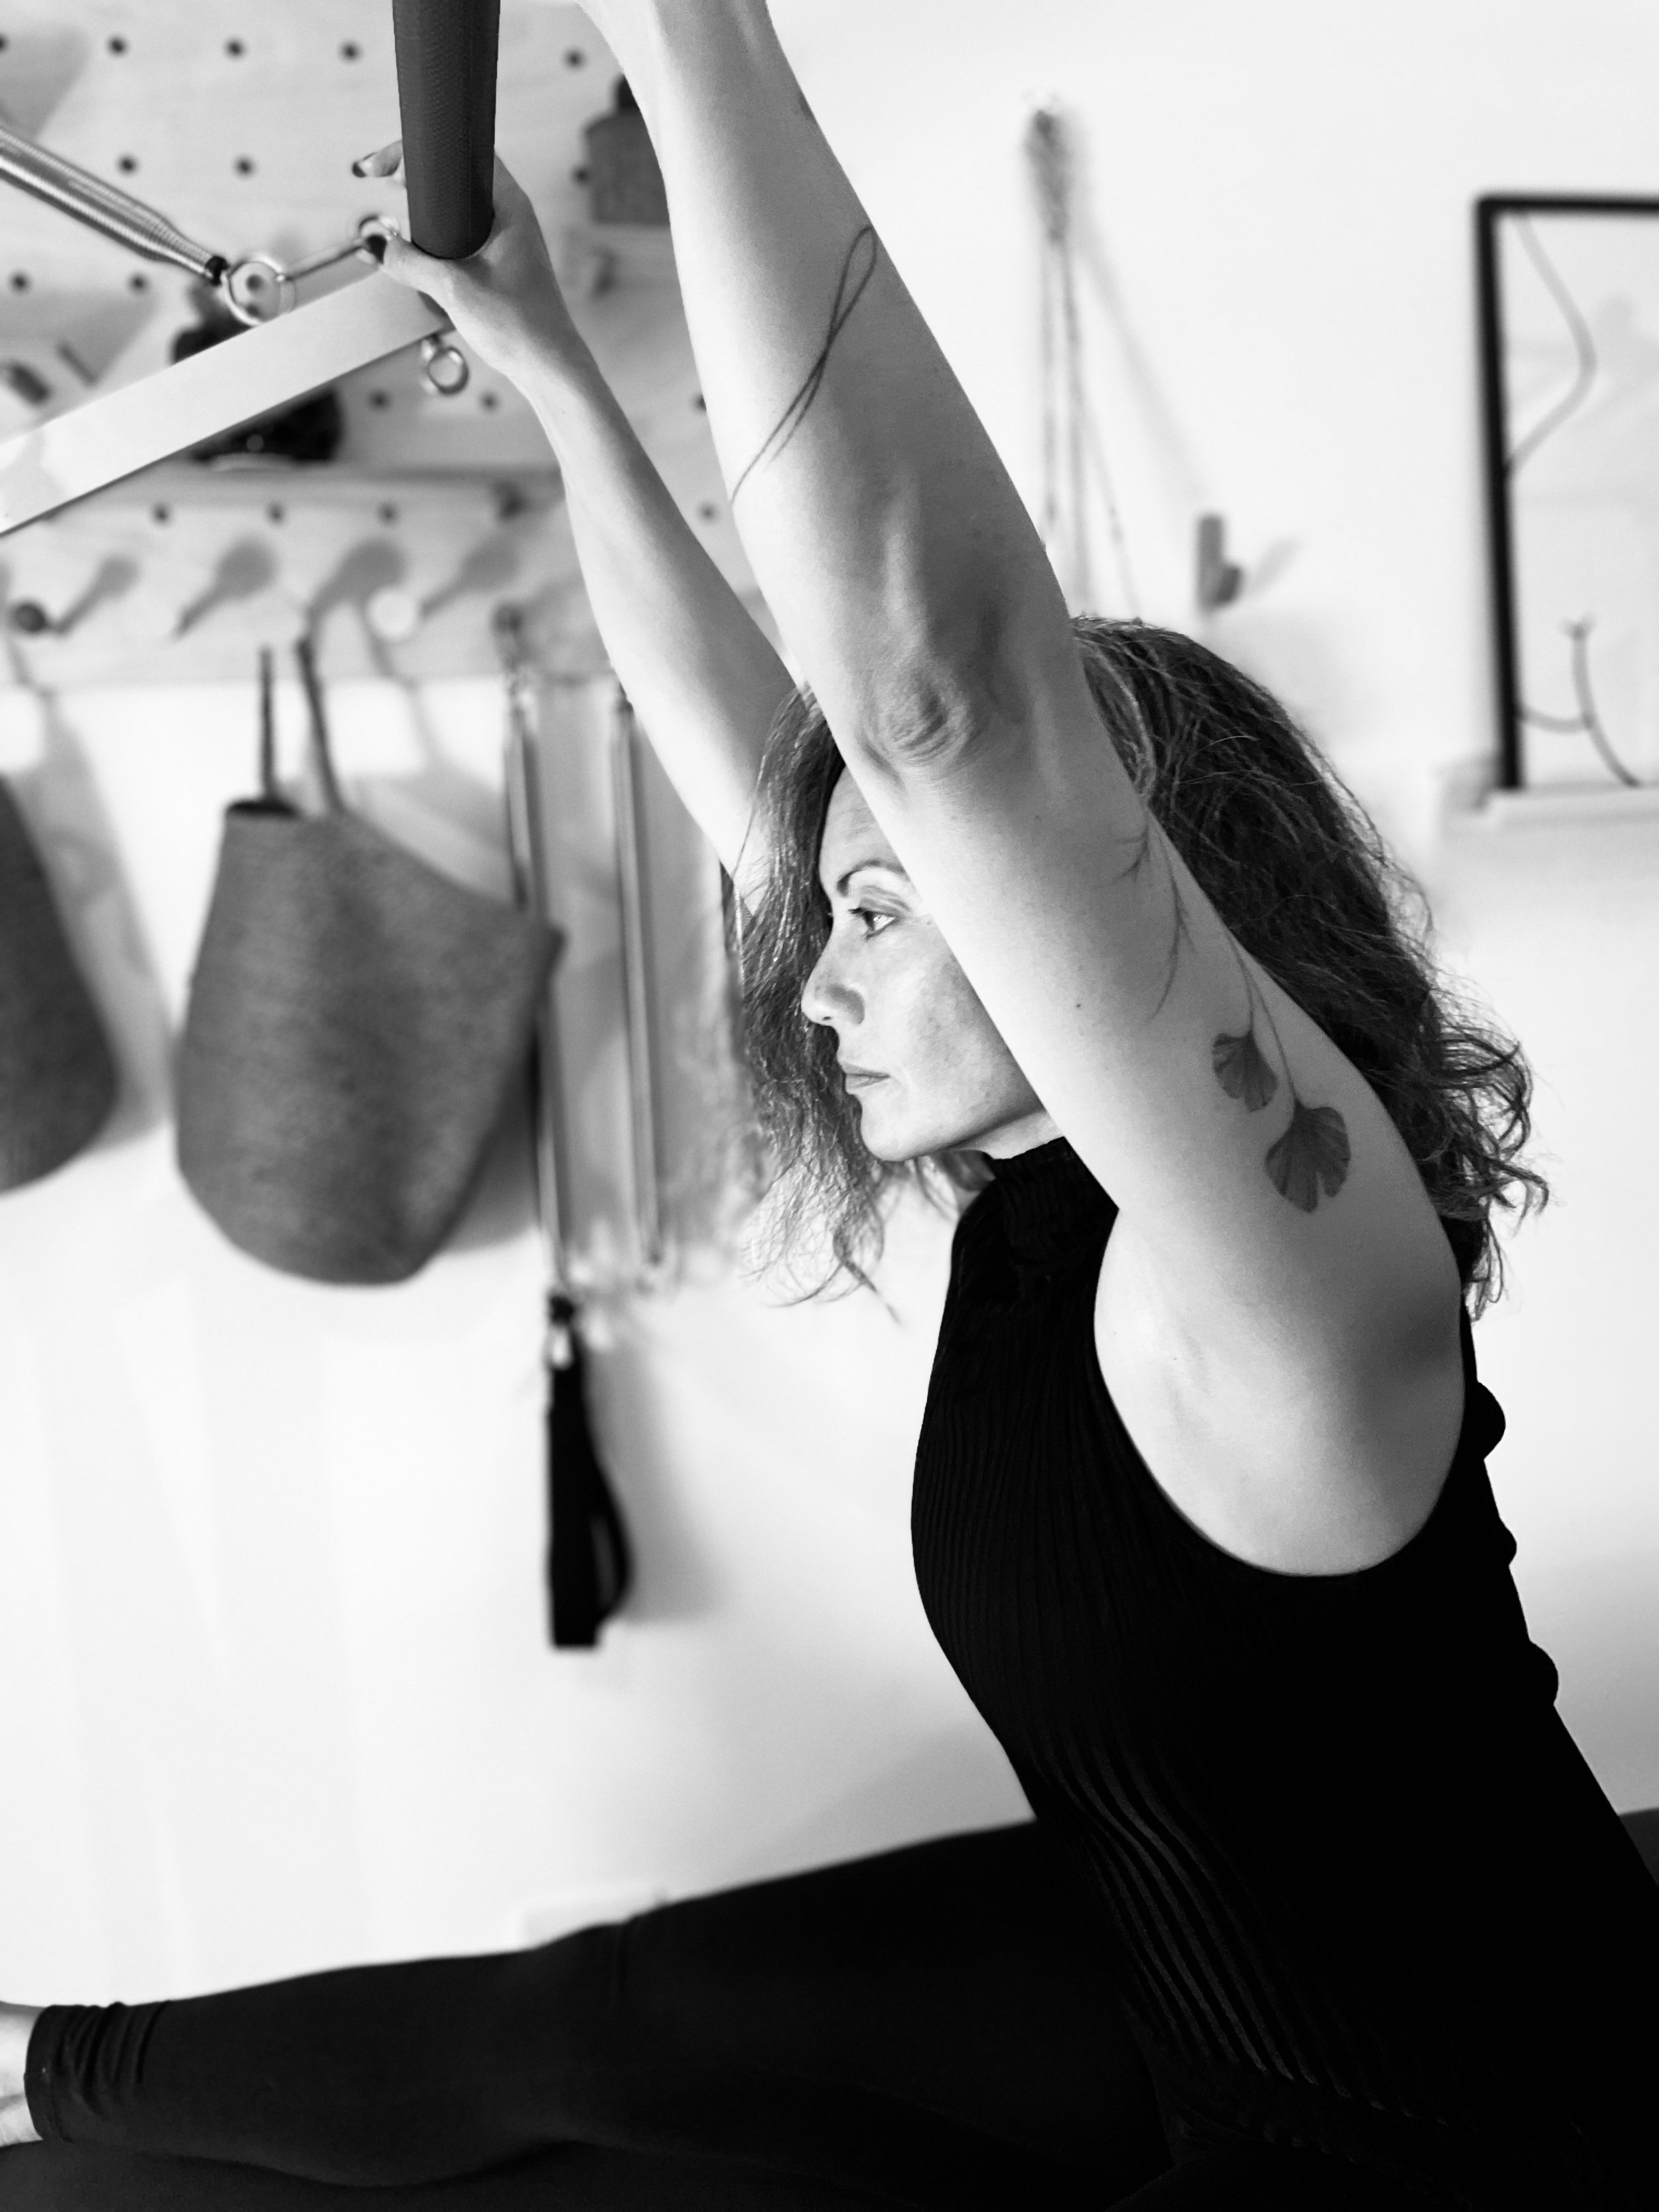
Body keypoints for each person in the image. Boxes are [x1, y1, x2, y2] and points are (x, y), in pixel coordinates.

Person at [3, 2, 1656, 2205]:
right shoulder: (1042, 1195)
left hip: (1500, 2152)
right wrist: (556, 377)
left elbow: (940, 708)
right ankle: (34, 2068)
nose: (813, 966)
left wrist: (691, 30)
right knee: (607, 2022)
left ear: (1120, 901)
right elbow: (781, 759)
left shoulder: (1285, 1285)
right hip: (1188, 1995)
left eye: (883, 908)